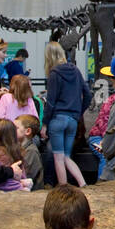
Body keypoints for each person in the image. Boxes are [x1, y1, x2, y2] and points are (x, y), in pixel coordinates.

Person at [42, 42, 90, 188]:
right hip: (73, 120)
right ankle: (83, 184)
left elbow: (50, 102)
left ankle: (64, 189)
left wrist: (45, 123)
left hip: (57, 119)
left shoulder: (54, 74)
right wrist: (78, 112)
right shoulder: (75, 70)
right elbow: (87, 94)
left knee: (58, 157)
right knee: (66, 157)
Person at [15, 115, 44, 190]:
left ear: (28, 131)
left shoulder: (31, 151)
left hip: (31, 195)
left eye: (16, 128)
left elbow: (26, 176)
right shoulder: (20, 148)